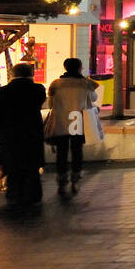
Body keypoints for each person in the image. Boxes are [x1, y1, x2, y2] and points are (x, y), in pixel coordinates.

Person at [0, 62, 47, 207]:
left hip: (9, 135)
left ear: (13, 74)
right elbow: (40, 102)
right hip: (31, 134)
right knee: (31, 167)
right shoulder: (37, 89)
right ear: (30, 74)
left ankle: (14, 195)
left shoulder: (3, 91)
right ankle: (33, 195)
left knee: (13, 167)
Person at [45, 57, 101, 198]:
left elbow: (50, 104)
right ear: (79, 67)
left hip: (61, 120)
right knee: (76, 151)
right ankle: (75, 179)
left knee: (61, 152)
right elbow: (94, 98)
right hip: (77, 119)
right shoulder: (85, 84)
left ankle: (61, 182)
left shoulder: (56, 84)